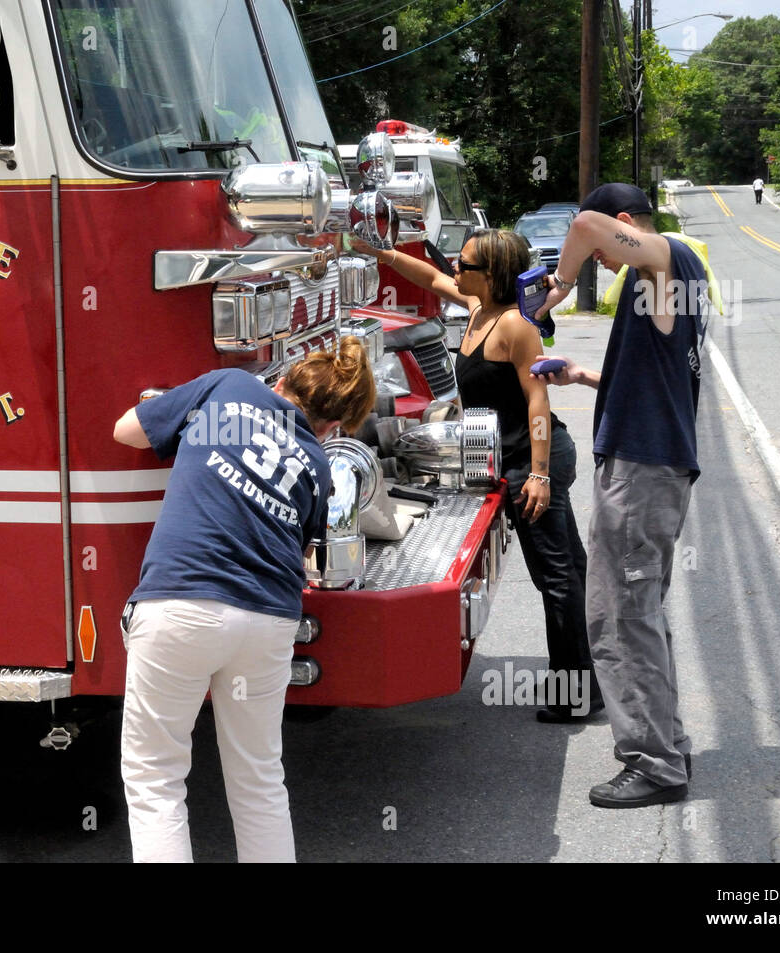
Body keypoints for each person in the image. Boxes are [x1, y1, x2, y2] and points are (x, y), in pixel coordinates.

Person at [112, 342, 375, 862]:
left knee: (157, 779)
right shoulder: (320, 468)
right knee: (258, 781)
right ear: (331, 427)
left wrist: (173, 406)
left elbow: (126, 430)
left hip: (180, 602)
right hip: (268, 619)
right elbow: (299, 555)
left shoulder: (228, 387)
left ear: (282, 382)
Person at [354, 231, 597, 721]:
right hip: (513, 460)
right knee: (569, 568)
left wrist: (541, 475)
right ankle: (590, 673)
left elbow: (538, 402)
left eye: (466, 265)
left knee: (556, 576)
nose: (456, 270)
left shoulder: (514, 326)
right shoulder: (475, 305)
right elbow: (430, 276)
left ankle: (575, 694)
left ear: (494, 275)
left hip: (534, 462)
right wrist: (379, 253)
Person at [531, 182, 709, 809]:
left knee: (618, 616)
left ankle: (654, 763)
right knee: (640, 614)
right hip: (650, 465)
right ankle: (666, 743)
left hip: (643, 469)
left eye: (612, 245)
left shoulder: (670, 259)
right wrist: (583, 374)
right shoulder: (659, 281)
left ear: (626, 223)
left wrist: (556, 282)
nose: (604, 262)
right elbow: (656, 375)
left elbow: (582, 226)